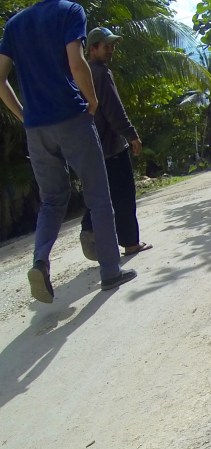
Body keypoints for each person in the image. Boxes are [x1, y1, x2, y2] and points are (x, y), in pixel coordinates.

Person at [0, 0, 137, 304]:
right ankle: (111, 270)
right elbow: (76, 63)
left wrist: (24, 116)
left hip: (36, 129)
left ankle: (40, 261)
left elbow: (0, 78)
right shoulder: (69, 11)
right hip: (71, 117)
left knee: (51, 199)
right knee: (98, 195)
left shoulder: (14, 25)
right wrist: (92, 101)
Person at [79, 27, 151, 259]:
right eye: (105, 46)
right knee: (124, 193)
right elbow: (114, 110)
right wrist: (131, 135)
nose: (110, 50)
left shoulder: (82, 73)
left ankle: (88, 230)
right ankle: (130, 243)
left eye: (112, 46)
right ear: (92, 48)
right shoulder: (100, 72)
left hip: (91, 145)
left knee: (100, 192)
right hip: (111, 144)